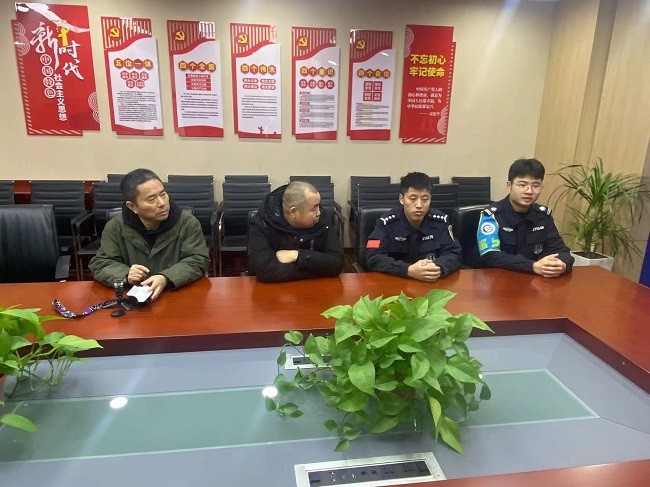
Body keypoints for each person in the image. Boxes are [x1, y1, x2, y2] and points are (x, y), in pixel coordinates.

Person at [89, 168, 210, 300]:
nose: (162, 203)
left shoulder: (187, 223)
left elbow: (198, 260)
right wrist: (125, 274)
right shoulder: (115, 227)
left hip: (177, 295)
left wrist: (166, 277)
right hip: (135, 299)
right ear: (132, 206)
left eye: (163, 194)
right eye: (152, 199)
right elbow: (101, 263)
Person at [475, 158, 574, 277]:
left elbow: (561, 250)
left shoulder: (543, 216)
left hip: (535, 280)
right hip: (500, 280)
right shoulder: (492, 215)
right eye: (522, 185)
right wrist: (532, 266)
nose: (529, 191)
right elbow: (490, 255)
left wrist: (562, 265)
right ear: (509, 186)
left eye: (536, 186)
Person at [365, 172, 462, 282]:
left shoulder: (440, 221)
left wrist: (438, 267)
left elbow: (454, 253)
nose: (419, 205)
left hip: (431, 282)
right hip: (397, 282)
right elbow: (373, 257)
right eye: (413, 198)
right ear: (401, 199)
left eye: (425, 199)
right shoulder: (386, 223)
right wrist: (407, 270)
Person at [248, 181, 344, 282]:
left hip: (315, 287)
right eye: (314, 208)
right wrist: (319, 268)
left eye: (319, 205)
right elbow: (265, 271)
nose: (319, 212)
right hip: (275, 290)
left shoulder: (323, 218)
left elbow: (337, 263)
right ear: (294, 212)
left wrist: (298, 256)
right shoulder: (262, 223)